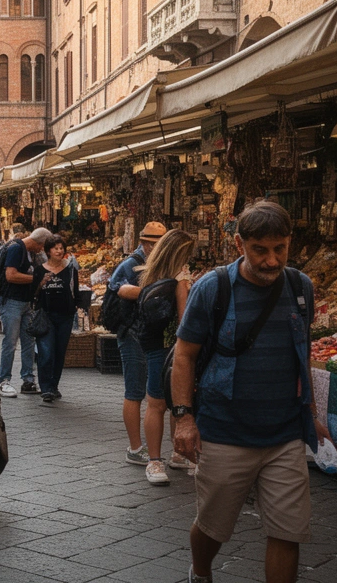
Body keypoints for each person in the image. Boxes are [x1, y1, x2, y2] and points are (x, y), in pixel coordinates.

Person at [171, 202, 324, 583]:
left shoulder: (301, 287)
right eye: (261, 250)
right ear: (240, 244)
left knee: (288, 531)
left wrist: (312, 412)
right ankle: (201, 571)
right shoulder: (213, 287)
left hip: (285, 434)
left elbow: (301, 353)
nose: (272, 260)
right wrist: (184, 418)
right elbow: (184, 356)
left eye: (281, 249)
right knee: (212, 526)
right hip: (225, 431)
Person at [124, 229, 198, 484]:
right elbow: (185, 319)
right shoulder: (181, 278)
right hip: (173, 349)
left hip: (153, 346)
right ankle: (162, 459)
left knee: (157, 403)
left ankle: (160, 459)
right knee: (172, 402)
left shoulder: (151, 274)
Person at [111, 220, 168, 466]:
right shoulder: (130, 265)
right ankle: (135, 447)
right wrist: (159, 291)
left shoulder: (162, 264)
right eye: (154, 244)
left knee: (159, 393)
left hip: (153, 334)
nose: (158, 248)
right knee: (134, 391)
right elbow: (119, 289)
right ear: (144, 243)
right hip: (132, 333)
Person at [0, 227, 49, 398]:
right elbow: (11, 275)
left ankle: (28, 379)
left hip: (26, 302)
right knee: (10, 341)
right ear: (39, 242)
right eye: (43, 246)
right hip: (11, 301)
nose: (42, 250)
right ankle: (4, 380)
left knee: (28, 341)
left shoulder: (29, 252)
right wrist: (36, 279)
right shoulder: (16, 248)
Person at [31, 234, 79, 404]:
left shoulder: (71, 269)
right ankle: (45, 388)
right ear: (48, 251)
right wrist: (40, 284)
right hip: (46, 315)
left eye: (61, 248)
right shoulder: (39, 270)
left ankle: (54, 385)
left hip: (66, 315)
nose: (59, 251)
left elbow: (76, 292)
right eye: (56, 248)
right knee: (46, 352)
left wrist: (77, 309)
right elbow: (33, 295)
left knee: (59, 352)